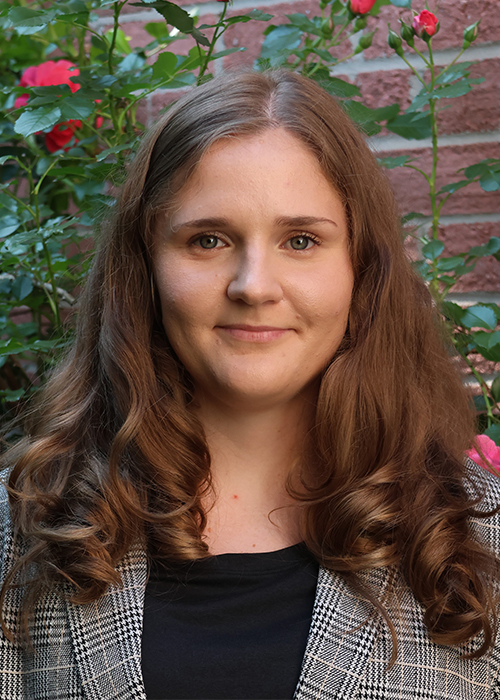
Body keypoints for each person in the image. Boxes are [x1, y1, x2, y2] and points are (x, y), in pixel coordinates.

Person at [0, 69, 499, 700]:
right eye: (207, 240)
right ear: (145, 269)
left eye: (300, 240)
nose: (254, 285)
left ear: (361, 271)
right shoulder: (24, 525)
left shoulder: (478, 540)